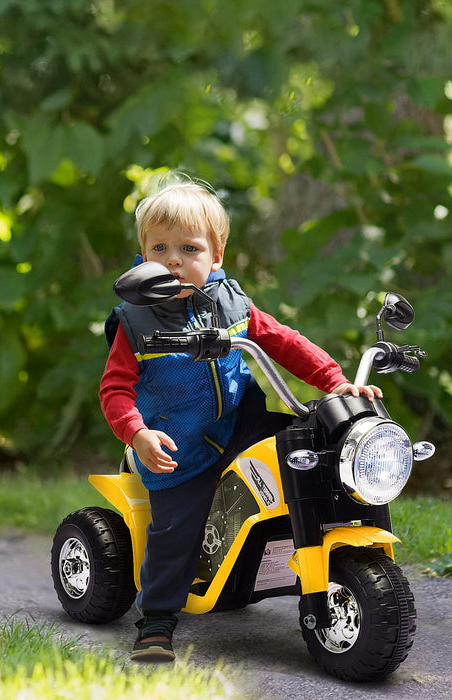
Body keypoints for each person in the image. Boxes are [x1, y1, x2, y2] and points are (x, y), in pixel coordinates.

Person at [99, 178, 382, 662]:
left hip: (242, 424)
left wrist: (334, 381)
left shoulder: (232, 302)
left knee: (315, 447)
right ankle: (158, 619)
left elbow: (283, 341)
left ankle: (324, 554)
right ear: (142, 255)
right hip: (179, 446)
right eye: (159, 248)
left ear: (217, 254)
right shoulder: (136, 321)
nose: (172, 260)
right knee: (176, 530)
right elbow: (115, 390)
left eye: (188, 248)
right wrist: (138, 432)